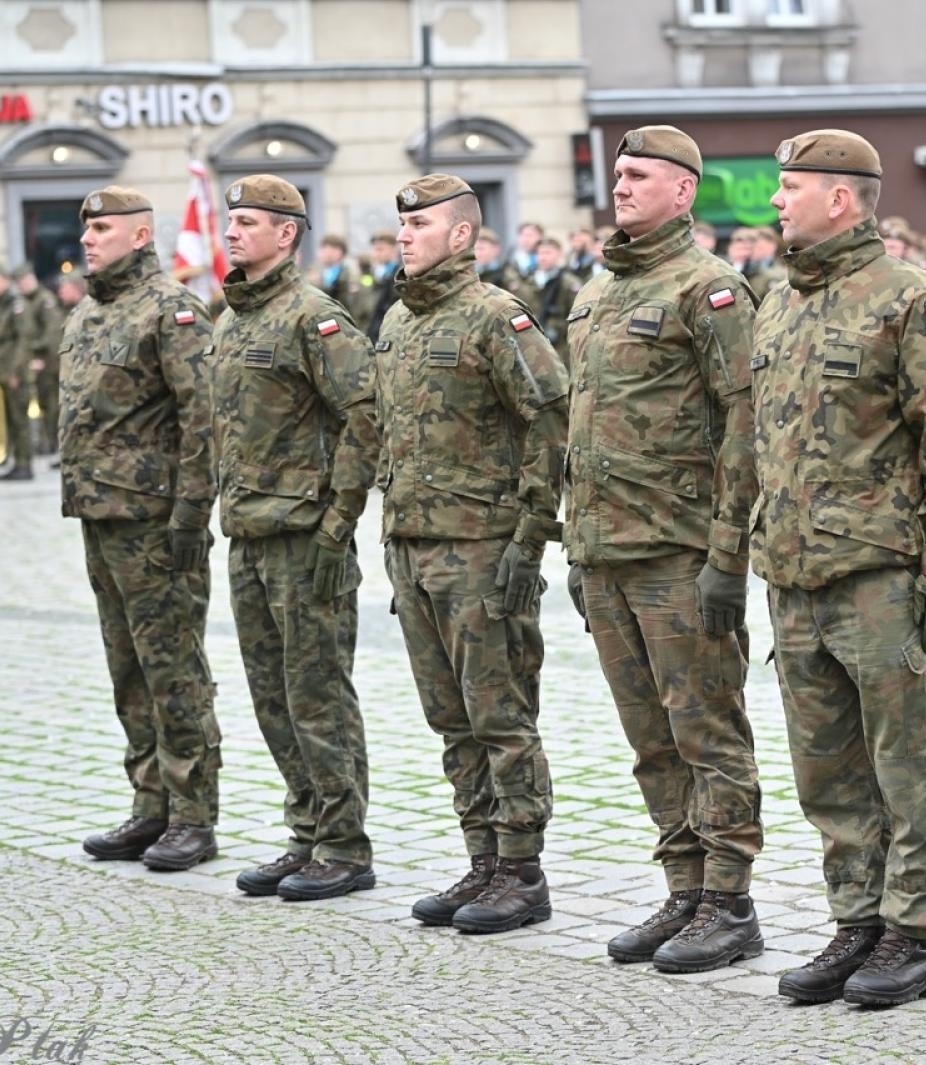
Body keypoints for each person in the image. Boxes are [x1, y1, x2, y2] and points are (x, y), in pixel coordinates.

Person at [750, 129, 926, 1008]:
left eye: (789, 187)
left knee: (907, 762)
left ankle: (913, 935)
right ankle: (857, 920)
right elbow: (760, 444)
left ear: (839, 197)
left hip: (881, 576)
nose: (777, 201)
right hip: (795, 576)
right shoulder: (778, 303)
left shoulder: (908, 301)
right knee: (827, 770)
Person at [565, 125, 765, 974]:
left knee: (706, 730)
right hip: (607, 550)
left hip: (679, 553)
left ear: (683, 192)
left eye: (640, 175)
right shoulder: (594, 293)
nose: (621, 186)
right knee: (649, 736)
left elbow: (745, 424)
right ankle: (683, 886)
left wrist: (727, 554)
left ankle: (729, 898)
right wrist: (576, 546)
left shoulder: (711, 290)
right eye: (617, 174)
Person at [377, 174, 569, 934]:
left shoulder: (498, 318)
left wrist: (531, 537)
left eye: (420, 224)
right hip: (415, 549)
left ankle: (522, 869)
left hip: (482, 551)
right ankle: (482, 855)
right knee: (450, 718)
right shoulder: (396, 320)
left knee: (500, 715)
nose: (405, 234)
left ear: (461, 235)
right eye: (403, 224)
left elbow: (549, 420)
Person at [213, 175, 382, 901]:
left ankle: (344, 844)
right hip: (248, 535)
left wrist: (338, 521)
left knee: (317, 693)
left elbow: (365, 416)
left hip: (305, 538)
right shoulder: (232, 319)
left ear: (287, 234)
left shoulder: (314, 317)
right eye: (231, 220)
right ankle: (307, 830)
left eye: (248, 222)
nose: (232, 232)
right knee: (272, 693)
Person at [60, 186, 222, 873]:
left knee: (172, 668)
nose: (88, 239)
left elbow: (203, 417)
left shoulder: (173, 310)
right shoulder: (88, 313)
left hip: (156, 523)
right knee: (126, 668)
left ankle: (192, 815)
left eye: (102, 228)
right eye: (86, 228)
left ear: (139, 234)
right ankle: (149, 802)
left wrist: (191, 514)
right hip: (100, 515)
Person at [0, 263, 34, 480]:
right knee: (7, 421)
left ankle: (24, 464)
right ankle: (14, 461)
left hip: (13, 373)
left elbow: (24, 340)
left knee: (19, 420)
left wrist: (15, 371)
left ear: (5, 280)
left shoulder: (16, 305)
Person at [17, 265, 65, 458]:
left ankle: (54, 443)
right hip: (33, 360)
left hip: (46, 361)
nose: (21, 286)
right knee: (43, 406)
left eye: (23, 281)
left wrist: (38, 352)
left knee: (51, 404)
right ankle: (48, 442)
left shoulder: (45, 300)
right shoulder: (26, 301)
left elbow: (52, 333)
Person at [520, 237, 584, 365]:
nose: (543, 257)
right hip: (532, 346)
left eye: (548, 252)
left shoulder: (569, 283)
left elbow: (578, 319)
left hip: (560, 348)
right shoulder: (527, 282)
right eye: (539, 253)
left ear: (559, 254)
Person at [351, 230, 402, 342]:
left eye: (380, 249)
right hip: (371, 333)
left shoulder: (400, 276)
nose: (375, 254)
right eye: (374, 249)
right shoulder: (371, 274)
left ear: (393, 249)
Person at [315, 234, 362, 324]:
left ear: (342, 252)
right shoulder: (313, 274)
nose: (328, 253)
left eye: (333, 249)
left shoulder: (350, 275)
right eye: (324, 248)